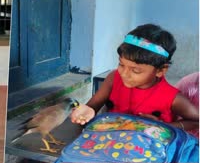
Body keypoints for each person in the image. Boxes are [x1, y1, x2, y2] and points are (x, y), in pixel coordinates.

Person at [71, 24, 199, 131]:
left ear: (160, 70)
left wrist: (162, 126)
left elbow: (196, 121)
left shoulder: (172, 98)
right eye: (121, 64)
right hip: (110, 144)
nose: (124, 73)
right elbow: (92, 107)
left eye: (136, 70)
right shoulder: (113, 78)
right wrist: (86, 113)